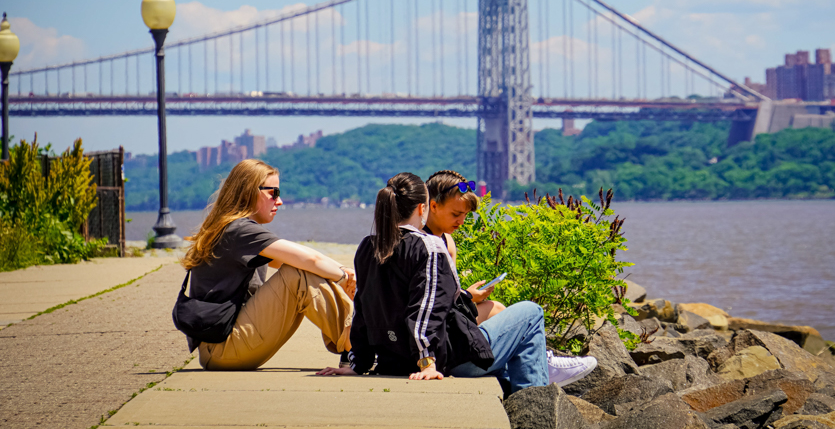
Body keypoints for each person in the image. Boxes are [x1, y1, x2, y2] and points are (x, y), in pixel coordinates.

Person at [316, 172, 597, 392]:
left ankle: (531, 382)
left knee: (506, 329)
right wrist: (427, 362)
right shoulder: (428, 246)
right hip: (449, 360)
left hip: (394, 360)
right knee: (531, 312)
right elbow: (426, 309)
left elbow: (364, 308)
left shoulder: (369, 245)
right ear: (424, 207)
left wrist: (358, 364)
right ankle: (534, 397)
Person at [177, 158, 355, 371]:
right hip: (224, 348)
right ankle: (358, 348)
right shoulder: (239, 230)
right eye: (274, 193)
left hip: (221, 348)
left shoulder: (231, 228)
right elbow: (310, 261)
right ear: (250, 192)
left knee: (301, 270)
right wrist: (344, 278)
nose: (279, 201)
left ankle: (355, 345)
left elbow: (301, 261)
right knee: (297, 275)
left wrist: (343, 271)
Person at [424, 169, 505, 324]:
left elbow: (448, 290)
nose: (461, 222)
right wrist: (468, 296)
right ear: (433, 206)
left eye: (465, 215)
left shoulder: (447, 241)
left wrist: (465, 295)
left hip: (442, 317)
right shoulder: (419, 243)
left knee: (494, 307)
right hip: (434, 325)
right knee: (500, 310)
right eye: (455, 214)